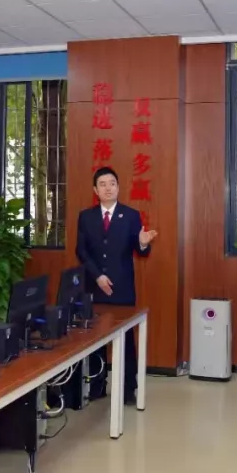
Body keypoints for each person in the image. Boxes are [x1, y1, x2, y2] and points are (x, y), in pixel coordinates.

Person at [76, 167, 158, 405]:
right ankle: (97, 385)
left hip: (121, 288)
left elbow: (140, 250)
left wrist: (143, 244)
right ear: (95, 190)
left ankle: (128, 388)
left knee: (126, 339)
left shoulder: (131, 215)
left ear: (118, 187)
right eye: (102, 184)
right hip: (95, 286)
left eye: (112, 183)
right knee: (95, 338)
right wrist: (97, 276)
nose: (108, 188)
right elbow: (81, 251)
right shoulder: (86, 216)